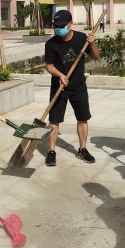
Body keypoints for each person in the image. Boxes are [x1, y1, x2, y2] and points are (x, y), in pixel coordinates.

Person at [44, 9, 100, 166]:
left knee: (82, 118)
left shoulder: (82, 38)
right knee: (54, 120)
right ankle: (51, 151)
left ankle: (82, 149)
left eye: (62, 26)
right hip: (59, 87)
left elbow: (96, 56)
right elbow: (49, 66)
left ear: (71, 24)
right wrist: (60, 75)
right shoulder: (51, 44)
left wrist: (92, 43)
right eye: (56, 26)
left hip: (78, 86)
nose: (58, 29)